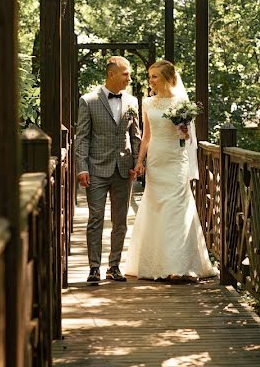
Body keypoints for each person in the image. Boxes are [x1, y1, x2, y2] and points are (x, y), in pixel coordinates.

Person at [125, 60, 218, 280]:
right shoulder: (147, 103)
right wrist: (140, 162)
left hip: (177, 160)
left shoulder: (181, 103)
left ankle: (179, 266)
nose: (151, 81)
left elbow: (185, 138)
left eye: (155, 76)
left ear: (167, 78)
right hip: (157, 158)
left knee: (177, 208)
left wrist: (182, 127)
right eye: (150, 76)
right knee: (157, 208)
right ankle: (159, 263)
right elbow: (146, 136)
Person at [74, 56, 142, 283]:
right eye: (125, 74)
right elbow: (82, 138)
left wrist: (137, 164)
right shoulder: (88, 100)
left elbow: (136, 136)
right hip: (96, 168)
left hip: (123, 168)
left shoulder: (132, 101)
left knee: (120, 221)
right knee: (96, 218)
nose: (129, 78)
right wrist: (81, 168)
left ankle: (114, 266)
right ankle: (94, 267)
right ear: (111, 74)